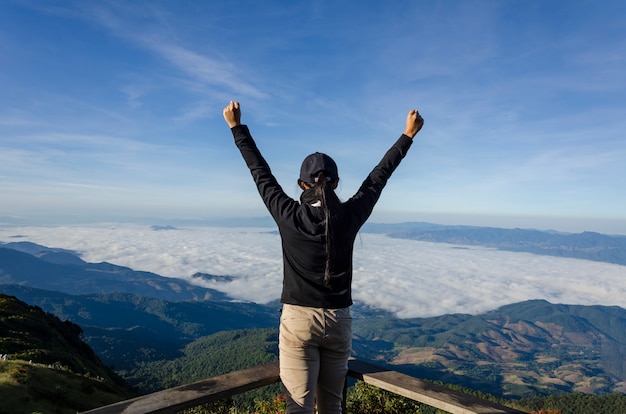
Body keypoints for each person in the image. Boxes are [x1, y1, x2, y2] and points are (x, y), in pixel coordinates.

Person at [223, 101, 424, 414]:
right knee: (332, 408)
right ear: (337, 183)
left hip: (299, 321)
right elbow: (377, 178)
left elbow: (260, 173)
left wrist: (237, 128)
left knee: (298, 408)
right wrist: (407, 136)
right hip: (339, 320)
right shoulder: (349, 215)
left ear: (302, 185)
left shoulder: (288, 215)